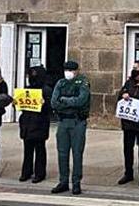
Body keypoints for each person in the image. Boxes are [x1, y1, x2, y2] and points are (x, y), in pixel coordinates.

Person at [51, 60, 91, 195]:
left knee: (77, 153)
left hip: (77, 122)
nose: (68, 73)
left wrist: (65, 100)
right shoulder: (61, 83)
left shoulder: (82, 82)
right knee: (62, 153)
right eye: (66, 70)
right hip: (63, 121)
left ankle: (76, 182)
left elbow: (81, 101)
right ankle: (63, 181)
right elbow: (54, 102)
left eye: (70, 70)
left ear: (76, 71)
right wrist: (68, 102)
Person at [19, 66, 53, 184]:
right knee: (27, 149)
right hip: (27, 123)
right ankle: (26, 172)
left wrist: (44, 103)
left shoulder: (46, 90)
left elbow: (51, 108)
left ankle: (39, 173)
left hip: (40, 123)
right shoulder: (27, 89)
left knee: (39, 149)